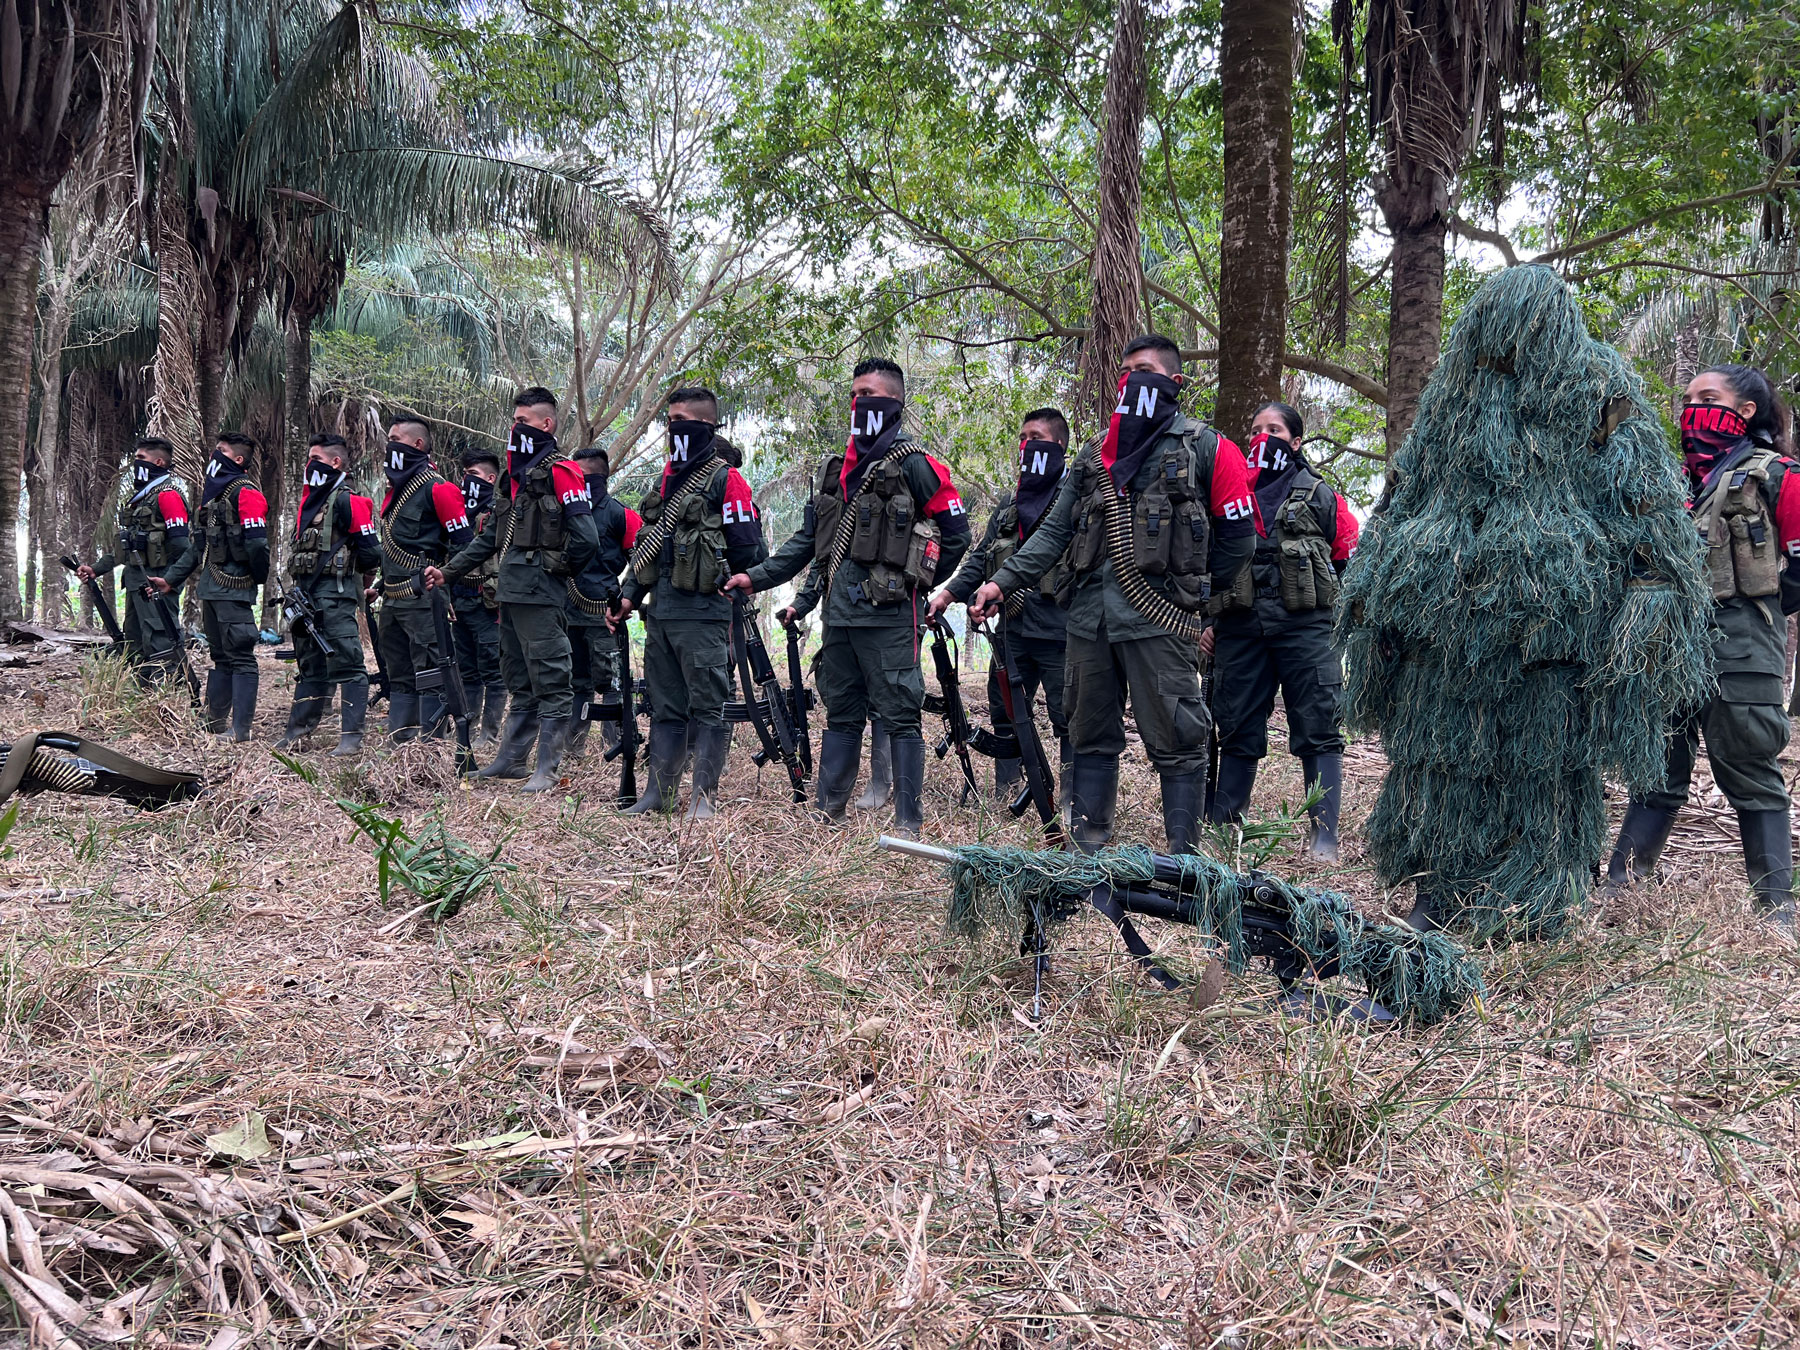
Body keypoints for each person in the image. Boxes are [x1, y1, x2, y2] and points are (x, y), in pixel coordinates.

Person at [968, 334, 1256, 856]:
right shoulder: (1093, 457)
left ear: (1175, 384)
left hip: (1162, 617)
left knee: (1178, 734)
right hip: (1089, 621)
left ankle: (1182, 856)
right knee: (1088, 729)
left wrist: (1197, 596)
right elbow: (1055, 535)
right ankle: (1089, 842)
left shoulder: (1210, 448)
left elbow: (1238, 541)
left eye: (1143, 370)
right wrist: (998, 582)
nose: (1131, 381)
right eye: (1125, 372)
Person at [727, 358, 970, 839]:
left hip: (890, 622)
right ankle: (828, 812)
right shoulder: (836, 470)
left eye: (870, 395)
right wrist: (756, 578)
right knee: (840, 715)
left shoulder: (918, 466)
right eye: (855, 394)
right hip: (839, 621)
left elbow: (956, 535)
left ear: (895, 405)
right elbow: (810, 544)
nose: (860, 403)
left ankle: (907, 823)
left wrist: (912, 584)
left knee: (901, 717)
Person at [1605, 364, 1799, 925]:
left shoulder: (1778, 475)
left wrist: (1761, 610)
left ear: (1743, 411)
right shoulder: (1677, 488)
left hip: (1741, 650)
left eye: (1707, 397)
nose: (1691, 408)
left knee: (1749, 768)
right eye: (1687, 398)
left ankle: (1775, 909)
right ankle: (1624, 889)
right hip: (1670, 646)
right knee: (1656, 768)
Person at [1202, 401, 1358, 858]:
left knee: (1319, 724)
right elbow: (1211, 565)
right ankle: (1225, 827)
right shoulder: (1230, 495)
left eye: (1273, 429)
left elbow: (1345, 558)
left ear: (1295, 442)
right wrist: (1208, 622)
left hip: (1305, 627)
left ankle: (1324, 838)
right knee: (1235, 724)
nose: (1261, 437)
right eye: (1255, 429)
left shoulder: (1320, 495)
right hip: (1240, 626)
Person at [427, 387, 599, 792]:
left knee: (552, 677)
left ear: (547, 424)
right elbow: (489, 539)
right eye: (515, 419)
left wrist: (553, 568)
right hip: (509, 592)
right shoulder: (514, 479)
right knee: (518, 676)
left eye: (523, 421)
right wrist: (448, 573)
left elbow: (587, 539)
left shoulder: (563, 472)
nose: (515, 427)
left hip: (540, 593)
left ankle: (547, 769)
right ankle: (512, 760)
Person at [618, 389, 765, 818]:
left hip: (704, 615)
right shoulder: (666, 478)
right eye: (669, 420)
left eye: (681, 419)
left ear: (705, 426)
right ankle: (656, 796)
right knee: (665, 707)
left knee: (709, 707)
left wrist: (723, 578)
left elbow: (748, 551)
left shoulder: (726, 480)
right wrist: (629, 596)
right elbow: (648, 549)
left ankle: (704, 798)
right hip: (660, 614)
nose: (673, 428)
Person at [930, 408, 1073, 796]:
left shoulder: (1074, 499)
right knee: (1006, 711)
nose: (1027, 445)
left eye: (1036, 437)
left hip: (1062, 631)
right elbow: (980, 557)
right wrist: (947, 594)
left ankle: (1072, 799)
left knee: (1070, 717)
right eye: (1023, 438)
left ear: (1059, 445)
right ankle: (1008, 789)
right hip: (1012, 629)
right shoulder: (1010, 506)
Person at [154, 431, 269, 740]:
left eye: (221, 450)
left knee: (241, 655)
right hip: (211, 589)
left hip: (233, 588)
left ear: (238, 459)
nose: (213, 456)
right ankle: (213, 723)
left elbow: (258, 547)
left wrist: (253, 580)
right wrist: (170, 580)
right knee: (220, 656)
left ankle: (240, 729)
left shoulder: (247, 493)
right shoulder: (213, 499)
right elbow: (197, 548)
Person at [273, 434, 382, 754]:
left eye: (315, 459)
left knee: (347, 663)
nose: (309, 465)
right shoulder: (310, 504)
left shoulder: (350, 501)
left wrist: (353, 578)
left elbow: (372, 553)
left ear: (336, 463)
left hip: (335, 595)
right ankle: (298, 732)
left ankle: (351, 738)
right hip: (305, 598)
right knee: (310, 665)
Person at [376, 418, 474, 743]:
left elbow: (466, 545)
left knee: (430, 673)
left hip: (422, 598)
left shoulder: (439, 489)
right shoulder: (396, 492)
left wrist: (446, 579)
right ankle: (401, 744)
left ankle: (430, 747)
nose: (389, 444)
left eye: (394, 438)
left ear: (416, 445)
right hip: (392, 600)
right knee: (399, 674)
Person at [77, 437, 191, 685]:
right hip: (135, 583)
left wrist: (170, 581)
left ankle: (167, 698)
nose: (135, 463)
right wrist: (96, 569)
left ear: (158, 462)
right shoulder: (140, 498)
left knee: (160, 642)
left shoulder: (168, 496)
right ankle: (144, 696)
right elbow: (126, 548)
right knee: (135, 643)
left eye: (141, 458)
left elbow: (183, 546)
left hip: (157, 584)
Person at [565, 445, 640, 760]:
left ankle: (620, 748)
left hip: (603, 614)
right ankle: (572, 749)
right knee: (574, 682)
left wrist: (626, 596)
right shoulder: (565, 509)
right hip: (567, 611)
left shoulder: (621, 515)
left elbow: (641, 563)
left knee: (610, 682)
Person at [452, 449, 507, 747]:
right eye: (464, 474)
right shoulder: (456, 513)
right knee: (466, 671)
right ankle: (468, 731)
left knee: (492, 671)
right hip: (459, 602)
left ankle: (489, 734)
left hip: (487, 605)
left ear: (489, 478)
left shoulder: (500, 514)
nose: (466, 480)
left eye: (472, 475)